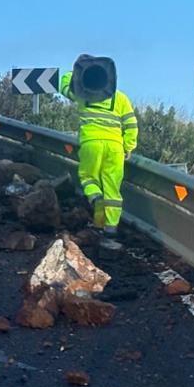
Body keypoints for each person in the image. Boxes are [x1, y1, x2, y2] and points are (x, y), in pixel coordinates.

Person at [59, 56, 138, 250]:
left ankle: (95, 198)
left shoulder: (81, 96)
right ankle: (110, 230)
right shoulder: (120, 98)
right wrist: (128, 146)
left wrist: (78, 70)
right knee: (113, 188)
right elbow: (131, 125)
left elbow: (62, 83)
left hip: (91, 144)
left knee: (88, 177)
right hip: (115, 147)